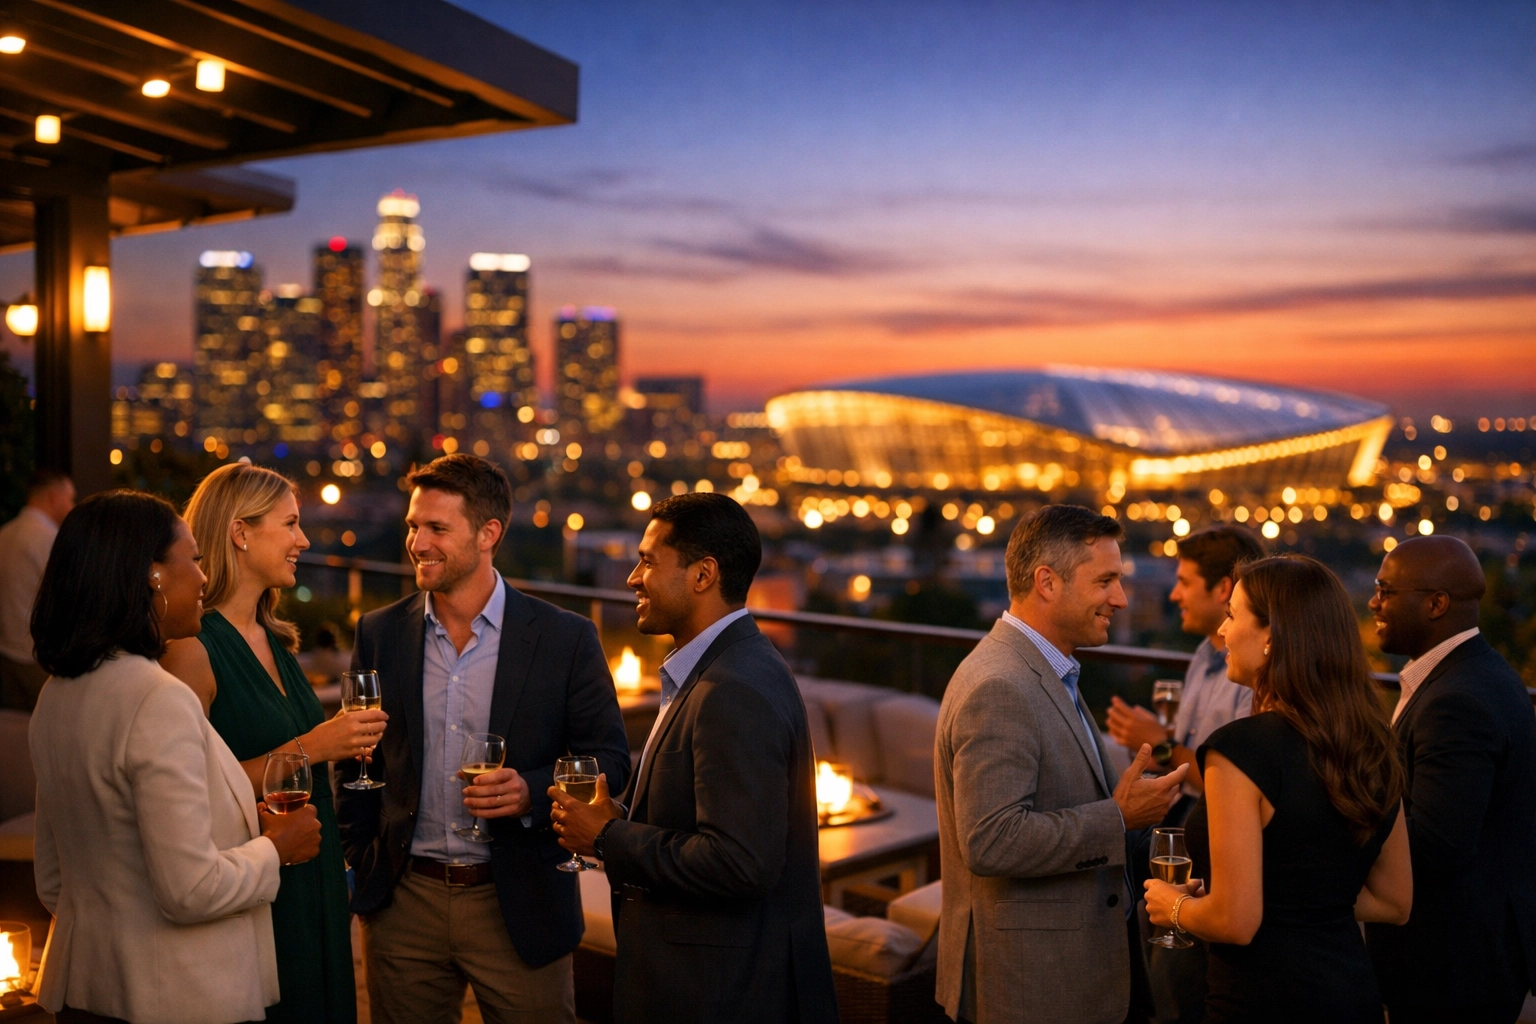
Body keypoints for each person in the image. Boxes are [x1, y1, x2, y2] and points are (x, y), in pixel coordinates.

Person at [334, 454, 630, 1024]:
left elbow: (612, 761)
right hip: (404, 903)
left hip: (518, 902)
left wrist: (530, 792)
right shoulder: (379, 632)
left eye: (437, 528)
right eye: (413, 527)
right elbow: (355, 762)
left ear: (488, 533)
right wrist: (363, 861)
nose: (417, 543)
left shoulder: (567, 639)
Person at [28, 490, 321, 1024]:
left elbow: (53, 878)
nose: (205, 579)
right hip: (179, 999)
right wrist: (276, 848)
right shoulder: (156, 699)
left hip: (86, 990)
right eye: (195, 560)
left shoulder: (58, 693)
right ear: (152, 576)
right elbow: (191, 890)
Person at [549, 492, 838, 1024]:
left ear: (703, 574)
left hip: (718, 995)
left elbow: (739, 862)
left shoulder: (734, 688)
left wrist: (608, 838)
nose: (633, 578)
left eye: (648, 561)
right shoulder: (720, 668)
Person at [934, 504, 1189, 1024]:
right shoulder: (1000, 685)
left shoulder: (1050, 671)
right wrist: (1118, 818)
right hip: (1028, 989)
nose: (1120, 599)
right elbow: (990, 840)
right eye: (1106, 581)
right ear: (1046, 582)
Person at [1144, 555, 1412, 1024]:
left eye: (1232, 615)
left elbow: (1235, 922)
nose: (1224, 632)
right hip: (1351, 995)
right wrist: (1291, 898)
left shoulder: (1241, 748)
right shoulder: (1373, 742)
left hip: (1262, 999)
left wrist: (1177, 907)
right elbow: (1394, 900)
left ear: (1272, 634)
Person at [162, 463, 381, 1023]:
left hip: (315, 869)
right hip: (256, 881)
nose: (303, 541)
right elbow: (196, 788)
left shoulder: (275, 640)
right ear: (240, 533)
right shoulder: (193, 649)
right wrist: (317, 745)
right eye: (290, 524)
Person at [1363, 535, 1536, 1024]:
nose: (1374, 601)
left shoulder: (1455, 701)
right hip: (1468, 960)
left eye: (1385, 590)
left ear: (1436, 604)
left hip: (1451, 969)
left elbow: (1435, 846)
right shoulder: (1479, 674)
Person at [1108, 526, 1263, 1024]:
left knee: (1179, 982)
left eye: (1184, 581)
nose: (1173, 593)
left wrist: (1161, 742)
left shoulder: (1251, 673)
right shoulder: (1203, 654)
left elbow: (1229, 778)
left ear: (1223, 589)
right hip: (1181, 825)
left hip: (1213, 842)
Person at [0, 470, 74, 709]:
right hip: (39, 657)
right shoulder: (48, 539)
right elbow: (67, 597)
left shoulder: (5, 534)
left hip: (7, 654)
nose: (72, 505)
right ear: (54, 497)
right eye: (70, 498)